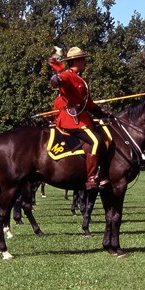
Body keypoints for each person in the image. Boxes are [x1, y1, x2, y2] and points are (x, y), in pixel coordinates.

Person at [48, 47, 112, 190]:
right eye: (82, 59)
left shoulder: (81, 79)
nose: (85, 61)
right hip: (72, 120)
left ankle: (102, 174)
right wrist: (56, 79)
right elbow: (57, 80)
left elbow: (88, 104)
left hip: (83, 118)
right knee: (96, 141)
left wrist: (102, 112)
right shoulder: (68, 76)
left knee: (104, 136)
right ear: (76, 61)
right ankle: (91, 177)